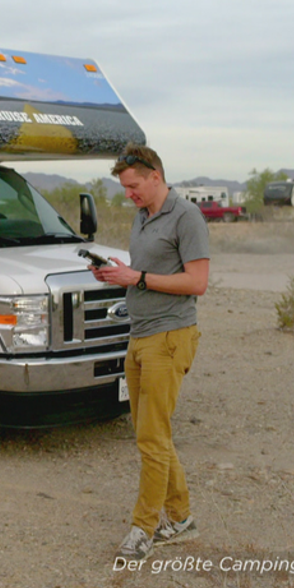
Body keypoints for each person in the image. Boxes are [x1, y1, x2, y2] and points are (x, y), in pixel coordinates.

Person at [92, 143, 209, 561]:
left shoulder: (187, 216)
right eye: (125, 187)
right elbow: (145, 275)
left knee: (151, 438)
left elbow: (197, 282)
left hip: (170, 336)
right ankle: (181, 519)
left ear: (155, 176)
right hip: (139, 336)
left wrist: (136, 276)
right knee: (152, 434)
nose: (128, 194)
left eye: (133, 186)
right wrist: (115, 274)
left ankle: (143, 528)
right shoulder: (141, 218)